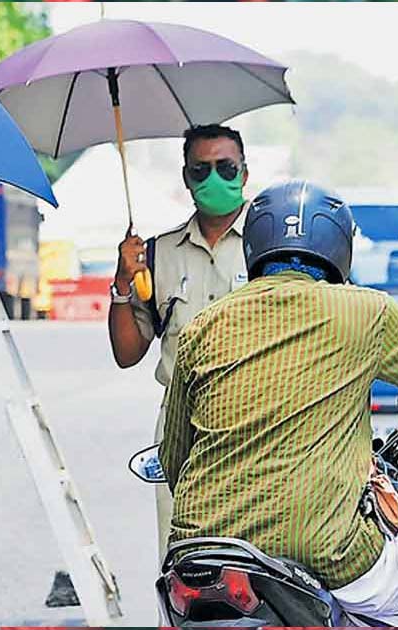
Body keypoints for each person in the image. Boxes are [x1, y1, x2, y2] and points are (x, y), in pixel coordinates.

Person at [159, 180, 398, 626]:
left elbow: (174, 456)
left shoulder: (203, 325)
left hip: (197, 558)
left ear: (255, 246)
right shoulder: (366, 312)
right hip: (326, 552)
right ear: (341, 246)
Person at [107, 124, 253, 558]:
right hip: (181, 429)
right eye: (201, 170)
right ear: (186, 178)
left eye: (225, 168)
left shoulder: (270, 246)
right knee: (183, 559)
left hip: (257, 422)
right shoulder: (156, 254)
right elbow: (127, 353)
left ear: (244, 173)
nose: (214, 180)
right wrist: (121, 283)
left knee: (256, 561)